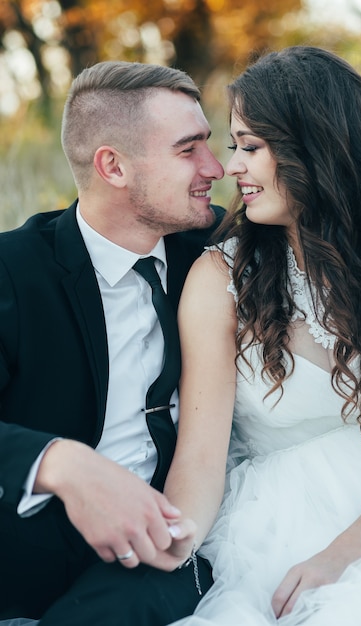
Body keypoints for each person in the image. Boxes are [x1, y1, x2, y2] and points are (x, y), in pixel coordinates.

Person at [163, 46, 361, 625]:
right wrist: (156, 545)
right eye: (235, 147)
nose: (232, 167)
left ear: (316, 148)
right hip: (275, 529)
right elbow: (200, 462)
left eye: (250, 146)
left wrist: (340, 559)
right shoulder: (220, 280)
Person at [0, 60, 225, 626]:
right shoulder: (13, 268)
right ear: (113, 166)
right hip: (28, 545)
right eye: (188, 150)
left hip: (169, 550)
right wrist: (63, 463)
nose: (215, 167)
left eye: (211, 145)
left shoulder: (222, 249)